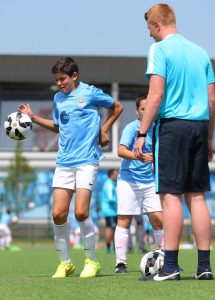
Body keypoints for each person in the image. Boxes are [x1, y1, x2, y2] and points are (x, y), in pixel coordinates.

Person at [18, 56, 123, 278]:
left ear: (74, 76)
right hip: (64, 162)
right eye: (56, 80)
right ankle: (65, 263)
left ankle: (91, 261)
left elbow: (118, 107)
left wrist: (103, 130)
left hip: (87, 159)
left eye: (62, 79)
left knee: (81, 211)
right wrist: (33, 117)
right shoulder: (58, 98)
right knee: (57, 214)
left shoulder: (90, 93)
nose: (59, 83)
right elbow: (58, 126)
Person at [134, 4, 215, 281]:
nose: (150, 35)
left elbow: (155, 95)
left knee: (171, 197)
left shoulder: (159, 50)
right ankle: (204, 267)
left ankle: (169, 266)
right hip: (199, 126)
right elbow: (212, 101)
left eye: (149, 29)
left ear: (157, 24)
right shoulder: (201, 52)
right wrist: (208, 137)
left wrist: (142, 132)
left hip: (173, 128)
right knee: (197, 197)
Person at [114, 93, 163, 273]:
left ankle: (162, 257)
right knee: (124, 220)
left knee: (159, 220)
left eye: (150, 107)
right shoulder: (131, 128)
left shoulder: (159, 129)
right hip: (129, 180)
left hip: (150, 181)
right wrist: (140, 157)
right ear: (137, 111)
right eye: (143, 108)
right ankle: (120, 263)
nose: (147, 110)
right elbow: (120, 151)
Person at [100, 169, 118, 253]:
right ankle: (110, 248)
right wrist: (119, 203)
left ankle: (111, 247)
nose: (117, 176)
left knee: (111, 228)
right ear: (111, 175)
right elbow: (111, 198)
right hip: (111, 210)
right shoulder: (109, 184)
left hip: (110, 210)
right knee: (110, 228)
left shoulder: (110, 183)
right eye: (115, 174)